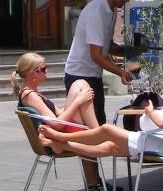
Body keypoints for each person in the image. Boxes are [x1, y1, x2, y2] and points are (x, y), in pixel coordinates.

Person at [39, 68, 163, 161]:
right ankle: (62, 145)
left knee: (106, 129)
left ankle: (60, 136)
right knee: (111, 148)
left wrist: (150, 111)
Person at [63, 0, 138, 187]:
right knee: (89, 134)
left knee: (96, 132)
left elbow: (107, 47)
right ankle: (93, 184)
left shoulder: (111, 10)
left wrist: (129, 51)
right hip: (80, 76)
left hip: (91, 75)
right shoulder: (96, 11)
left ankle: (96, 182)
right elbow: (96, 55)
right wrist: (120, 72)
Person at [13, 52, 101, 191]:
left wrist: (79, 99)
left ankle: (94, 183)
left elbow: (58, 113)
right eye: (42, 69)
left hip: (58, 132)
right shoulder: (30, 96)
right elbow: (56, 123)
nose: (46, 71)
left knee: (81, 85)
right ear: (32, 74)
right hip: (57, 136)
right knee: (80, 85)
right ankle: (98, 134)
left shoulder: (31, 93)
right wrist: (78, 101)